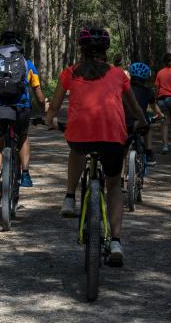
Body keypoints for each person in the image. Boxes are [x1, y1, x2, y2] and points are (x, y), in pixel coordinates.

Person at [46, 27, 147, 266]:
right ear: (106, 51)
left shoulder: (70, 72)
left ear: (82, 50)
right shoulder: (119, 74)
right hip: (113, 137)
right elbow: (133, 107)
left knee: (77, 148)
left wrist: (50, 120)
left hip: (79, 135)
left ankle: (69, 197)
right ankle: (116, 242)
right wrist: (142, 122)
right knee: (113, 185)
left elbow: (54, 106)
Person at [0, 31, 47, 206]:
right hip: (20, 111)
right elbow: (38, 94)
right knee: (23, 137)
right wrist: (46, 111)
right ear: (19, 46)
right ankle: (25, 174)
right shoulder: (27, 64)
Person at [126, 62, 163, 166]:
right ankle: (149, 152)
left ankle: (121, 179)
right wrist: (161, 115)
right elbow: (154, 107)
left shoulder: (124, 89)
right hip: (140, 122)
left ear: (131, 75)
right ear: (146, 77)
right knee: (148, 127)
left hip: (125, 122)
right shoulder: (148, 91)